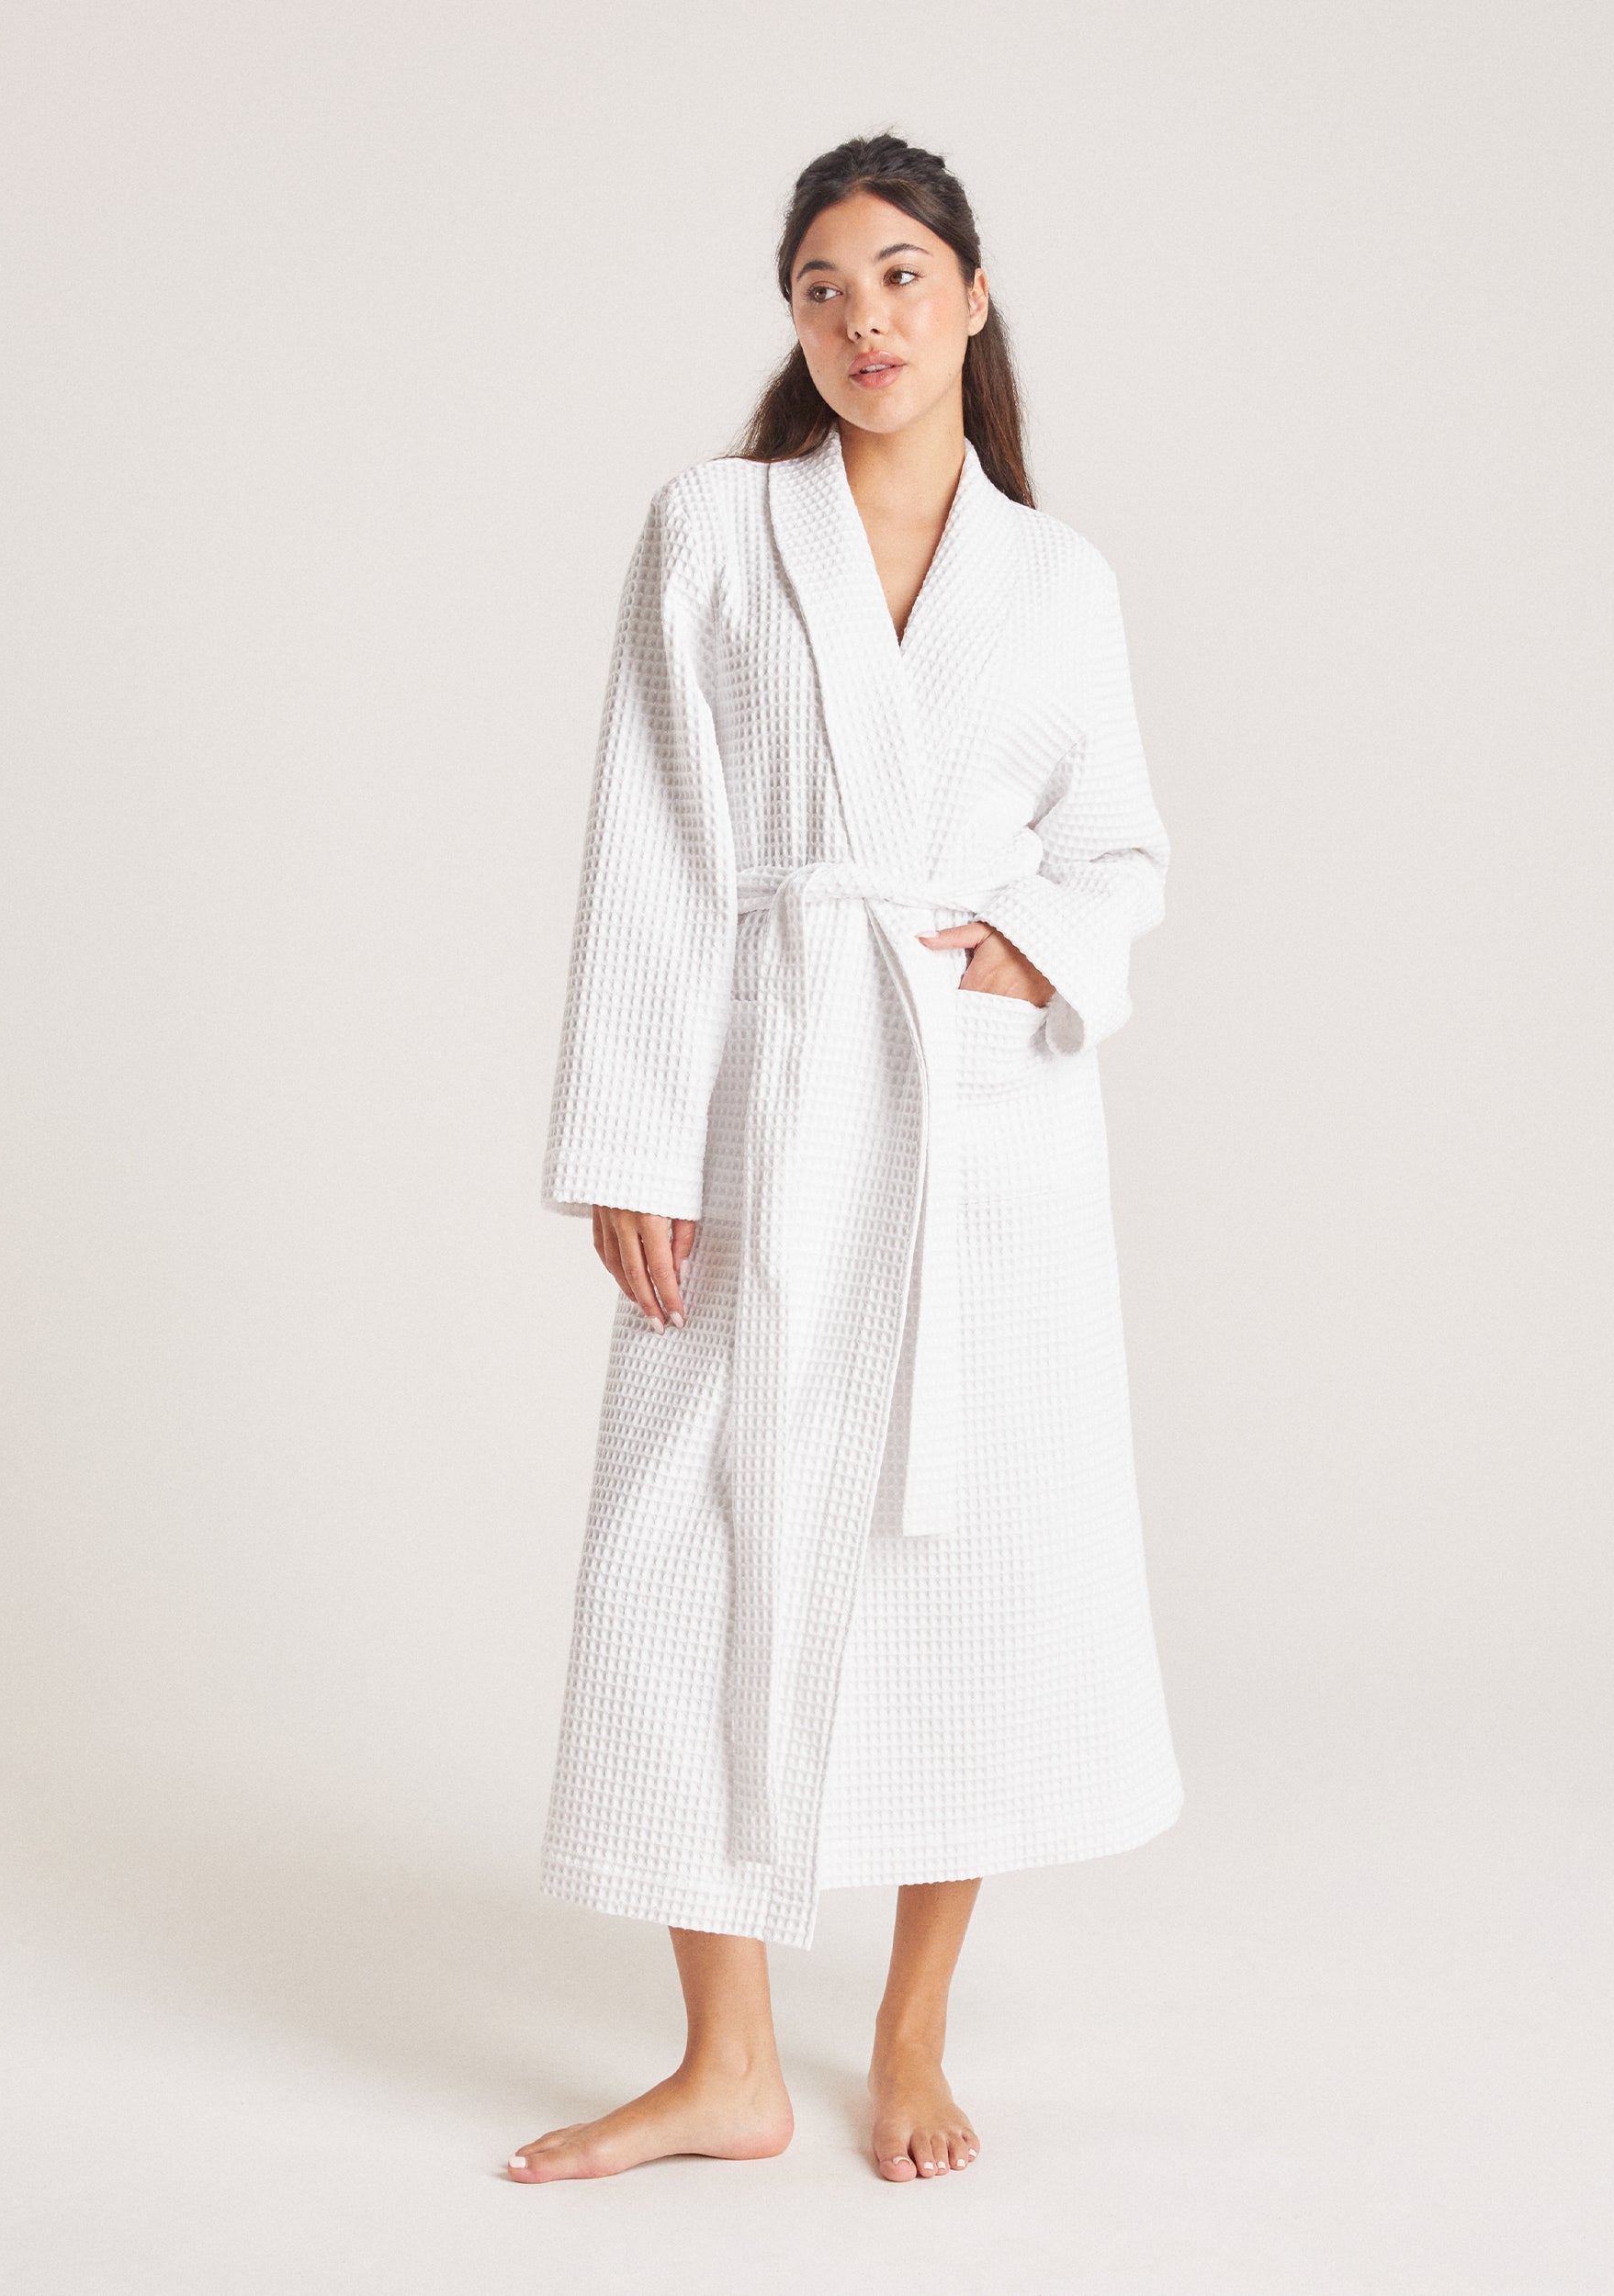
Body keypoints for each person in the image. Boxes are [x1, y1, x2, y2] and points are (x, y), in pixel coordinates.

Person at [514, 131, 1181, 2186]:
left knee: (957, 1562)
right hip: (764, 1092)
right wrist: (633, 1133)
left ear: (971, 298)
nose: (863, 316)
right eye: (821, 286)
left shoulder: (1057, 582)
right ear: (791, 324)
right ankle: (725, 2060)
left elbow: (1121, 852)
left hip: (978, 1134)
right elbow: (651, 830)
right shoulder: (717, 530)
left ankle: (908, 2030)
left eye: (898, 274)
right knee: (680, 1550)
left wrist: (1023, 946)